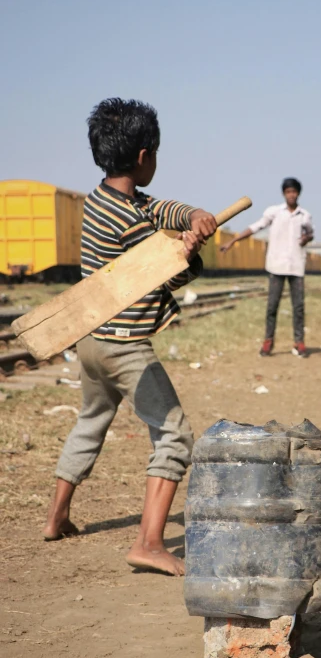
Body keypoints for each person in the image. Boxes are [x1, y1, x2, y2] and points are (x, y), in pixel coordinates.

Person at [43, 97, 217, 577]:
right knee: (175, 434)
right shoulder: (131, 220)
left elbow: (158, 207)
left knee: (92, 419)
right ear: (144, 156)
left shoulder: (104, 200)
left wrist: (193, 214)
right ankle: (149, 542)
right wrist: (189, 253)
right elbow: (163, 274)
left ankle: (56, 517)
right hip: (125, 346)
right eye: (155, 154)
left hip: (91, 341)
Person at [221, 178, 313, 357]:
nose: (291, 195)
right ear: (284, 194)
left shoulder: (305, 216)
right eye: (288, 192)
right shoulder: (274, 212)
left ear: (298, 194)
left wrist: (306, 238)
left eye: (294, 192)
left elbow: (310, 233)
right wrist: (233, 240)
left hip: (296, 266)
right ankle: (268, 342)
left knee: (299, 307)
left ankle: (299, 342)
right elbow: (255, 227)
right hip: (276, 267)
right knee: (272, 307)